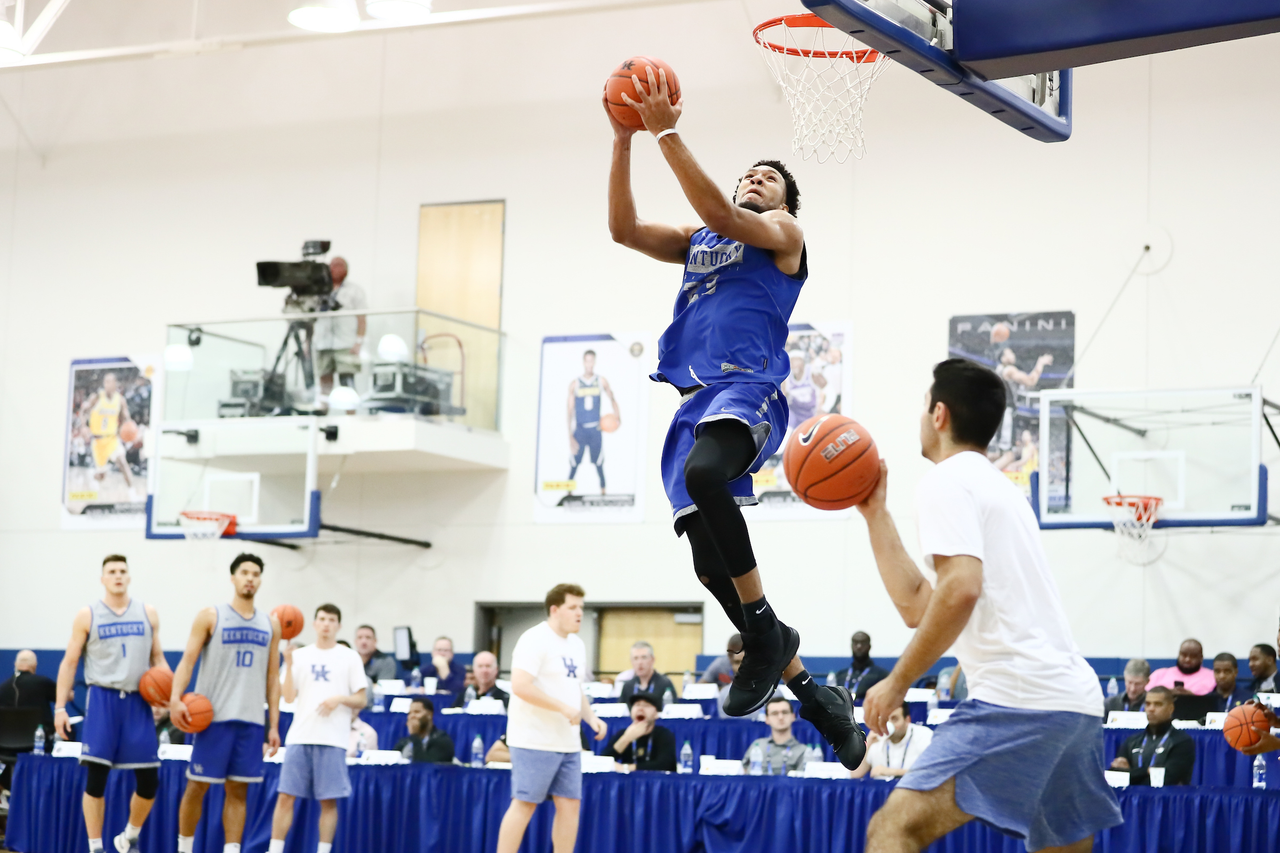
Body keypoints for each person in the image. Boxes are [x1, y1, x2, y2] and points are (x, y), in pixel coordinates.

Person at [605, 66, 863, 769]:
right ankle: (814, 695)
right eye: (749, 173)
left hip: (748, 387)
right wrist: (623, 139)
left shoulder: (781, 233)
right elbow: (623, 228)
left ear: (784, 201)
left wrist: (666, 131)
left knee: (709, 473)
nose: (755, 178)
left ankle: (760, 629)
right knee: (707, 563)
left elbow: (724, 215)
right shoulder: (699, 239)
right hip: (691, 401)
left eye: (767, 177)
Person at [858, 359, 1122, 853]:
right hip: (1075, 703)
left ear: (939, 414)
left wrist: (897, 682)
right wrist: (875, 514)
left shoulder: (946, 480)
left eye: (923, 407)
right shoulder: (1001, 488)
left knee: (893, 829)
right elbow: (921, 606)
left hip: (1017, 699)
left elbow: (960, 589)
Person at [54, 555, 167, 853]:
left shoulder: (148, 612)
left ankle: (129, 836)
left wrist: (168, 696)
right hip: (102, 699)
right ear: (102, 579)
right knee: (96, 777)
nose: (118, 576)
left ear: (129, 577)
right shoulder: (87, 614)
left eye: (122, 571)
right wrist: (59, 707)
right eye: (111, 572)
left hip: (138, 702)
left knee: (149, 780)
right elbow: (69, 662)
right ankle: (95, 847)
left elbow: (158, 659)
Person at [171, 553, 282, 853]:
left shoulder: (271, 624)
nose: (250, 578)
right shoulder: (210, 616)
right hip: (213, 718)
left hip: (250, 720)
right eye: (244, 572)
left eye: (256, 573)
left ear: (260, 580)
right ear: (233, 578)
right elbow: (187, 661)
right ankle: (184, 848)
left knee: (239, 791)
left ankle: (231, 850)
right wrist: (174, 699)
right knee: (197, 785)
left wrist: (274, 724)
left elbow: (273, 678)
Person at [496, 584, 607, 853]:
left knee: (570, 804)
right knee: (525, 804)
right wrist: (562, 708)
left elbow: (574, 687)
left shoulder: (577, 645)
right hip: (534, 738)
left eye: (582, 607)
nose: (580, 613)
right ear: (555, 610)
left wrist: (591, 717)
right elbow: (520, 686)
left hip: (567, 741)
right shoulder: (534, 639)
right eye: (573, 607)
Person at [268, 604, 367, 853]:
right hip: (300, 736)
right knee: (285, 797)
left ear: (338, 626)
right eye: (322, 619)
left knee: (328, 801)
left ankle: (323, 850)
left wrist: (339, 699)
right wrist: (288, 664)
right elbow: (288, 697)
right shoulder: (299, 656)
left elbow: (362, 699)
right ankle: (275, 848)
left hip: (333, 739)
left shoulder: (349, 657)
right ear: (314, 624)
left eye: (331, 620)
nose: (326, 624)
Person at [1109, 686, 1194, 786]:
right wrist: (1147, 771)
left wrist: (1131, 773)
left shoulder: (1182, 742)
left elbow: (1167, 780)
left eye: (1158, 704)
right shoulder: (1132, 741)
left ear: (1171, 709)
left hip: (1166, 800)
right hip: (1132, 800)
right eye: (1148, 704)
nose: (1151, 709)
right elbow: (1115, 777)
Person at [567, 349, 619, 494]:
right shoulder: (575, 384)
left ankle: (603, 491)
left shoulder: (600, 381)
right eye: (587, 361)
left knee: (598, 462)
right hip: (580, 429)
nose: (589, 364)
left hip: (595, 429)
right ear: (584, 362)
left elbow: (612, 397)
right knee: (574, 462)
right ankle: (568, 491)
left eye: (591, 361)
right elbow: (569, 411)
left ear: (594, 362)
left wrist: (617, 415)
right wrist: (570, 435)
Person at [314, 256, 367, 396]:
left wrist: (359, 342)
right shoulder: (319, 290)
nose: (334, 268)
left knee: (347, 382)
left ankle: (351, 416)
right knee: (324, 381)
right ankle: (322, 414)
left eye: (339, 265)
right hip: (322, 343)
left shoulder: (355, 290)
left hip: (345, 344)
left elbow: (362, 318)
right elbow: (311, 318)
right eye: (332, 265)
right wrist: (308, 343)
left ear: (346, 269)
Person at [853, 702, 934, 780]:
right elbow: (855, 775)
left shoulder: (924, 735)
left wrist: (888, 772)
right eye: (885, 719)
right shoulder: (876, 738)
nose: (889, 724)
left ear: (907, 720)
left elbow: (933, 772)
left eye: (894, 719)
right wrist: (868, 744)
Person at [80, 372, 134, 489]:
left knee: (122, 463)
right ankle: (92, 477)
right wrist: (83, 426)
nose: (107, 384)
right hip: (98, 441)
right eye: (105, 382)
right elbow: (83, 411)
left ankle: (133, 494)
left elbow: (126, 417)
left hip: (111, 439)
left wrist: (129, 426)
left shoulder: (120, 400)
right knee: (101, 476)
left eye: (110, 381)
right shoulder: (97, 397)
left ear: (115, 384)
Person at [604, 691, 677, 772]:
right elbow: (603, 762)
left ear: (656, 714)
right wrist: (626, 739)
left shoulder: (664, 734)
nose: (640, 709)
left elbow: (665, 764)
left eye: (646, 705)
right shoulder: (622, 733)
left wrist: (626, 768)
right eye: (637, 705)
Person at [742, 696, 810, 776]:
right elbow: (742, 772)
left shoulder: (803, 751)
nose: (780, 717)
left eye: (785, 712)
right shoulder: (757, 745)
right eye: (775, 713)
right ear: (767, 719)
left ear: (793, 717)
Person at [0, 650, 56, 734]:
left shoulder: (3, 687)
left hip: (6, 743)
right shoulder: (43, 683)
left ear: (15, 664)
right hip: (40, 741)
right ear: (34, 666)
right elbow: (63, 697)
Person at [394, 697, 455, 763]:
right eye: (409, 713)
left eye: (417, 712)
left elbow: (423, 767)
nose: (412, 716)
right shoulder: (404, 742)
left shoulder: (442, 740)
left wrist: (415, 736)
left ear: (429, 715)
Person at [833, 632, 890, 702]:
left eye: (863, 643)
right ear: (851, 646)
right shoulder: (840, 675)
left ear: (869, 646)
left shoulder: (882, 675)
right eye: (856, 643)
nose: (859, 646)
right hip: (843, 712)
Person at [1146, 639, 1215, 696]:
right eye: (1184, 655)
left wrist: (1192, 697)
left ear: (1201, 658)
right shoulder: (1159, 674)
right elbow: (1146, 696)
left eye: (1193, 656)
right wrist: (1167, 694)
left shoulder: (1213, 676)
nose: (1187, 659)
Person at [618, 642, 676, 707]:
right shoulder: (628, 686)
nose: (639, 662)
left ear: (652, 660)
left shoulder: (665, 683)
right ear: (631, 661)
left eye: (644, 657)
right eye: (636, 658)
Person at [782, 348, 825, 431]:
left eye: (797, 361)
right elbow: (782, 397)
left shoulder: (812, 372)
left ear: (803, 362)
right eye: (792, 362)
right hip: (795, 416)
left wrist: (824, 407)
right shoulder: (786, 377)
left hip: (811, 413)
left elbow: (828, 389)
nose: (794, 364)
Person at [354, 625, 397, 708]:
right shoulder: (350, 660)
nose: (364, 641)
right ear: (355, 641)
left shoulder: (385, 661)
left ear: (375, 641)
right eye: (360, 638)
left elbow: (383, 687)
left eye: (368, 637)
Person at [717, 646, 746, 719]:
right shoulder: (724, 694)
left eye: (745, 661)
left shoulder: (771, 692)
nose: (741, 666)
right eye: (737, 662)